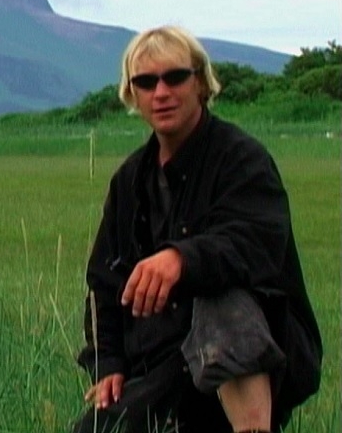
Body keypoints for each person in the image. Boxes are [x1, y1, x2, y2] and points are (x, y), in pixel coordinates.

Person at [71, 26, 323, 433]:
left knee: (223, 300)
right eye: (147, 82)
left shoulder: (242, 160)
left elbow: (255, 242)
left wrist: (181, 260)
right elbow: (104, 281)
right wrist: (108, 364)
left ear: (202, 83)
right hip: (161, 361)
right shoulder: (129, 181)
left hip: (258, 352)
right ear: (131, 94)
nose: (162, 92)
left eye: (175, 77)